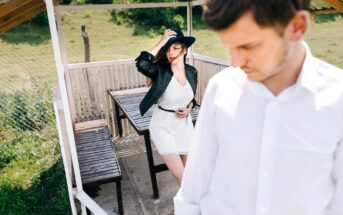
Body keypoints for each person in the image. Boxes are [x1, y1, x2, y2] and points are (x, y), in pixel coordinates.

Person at [174, 0, 343, 214]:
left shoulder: (338, 99)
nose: (235, 62)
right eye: (230, 46)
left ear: (298, 26)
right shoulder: (221, 88)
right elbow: (193, 188)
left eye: (248, 46)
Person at [135, 29, 198, 185]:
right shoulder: (160, 72)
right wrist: (162, 41)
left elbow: (191, 98)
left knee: (190, 173)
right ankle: (191, 206)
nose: (171, 52)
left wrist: (189, 108)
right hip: (163, 127)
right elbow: (142, 63)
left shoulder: (192, 72)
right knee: (180, 175)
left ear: (184, 49)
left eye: (175, 47)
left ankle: (187, 207)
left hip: (185, 126)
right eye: (168, 49)